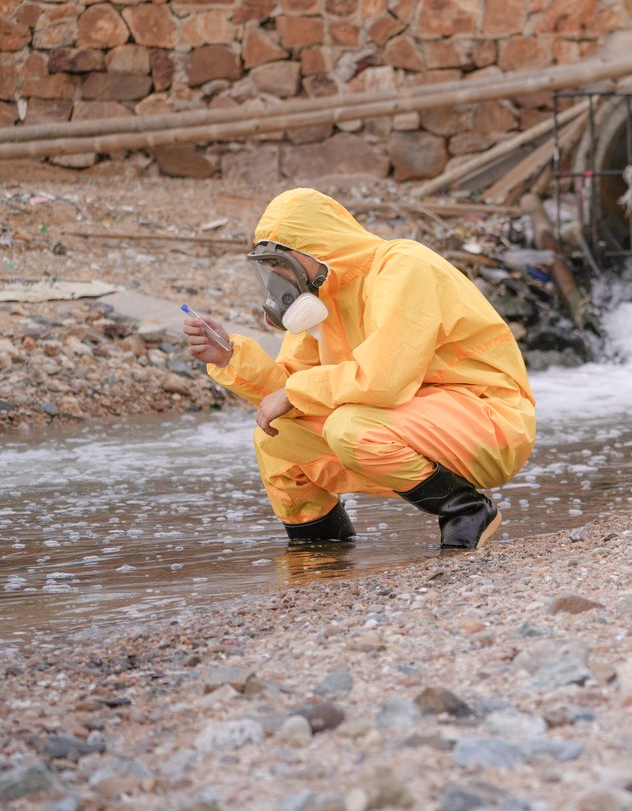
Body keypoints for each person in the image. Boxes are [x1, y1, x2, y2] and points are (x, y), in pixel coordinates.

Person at [182, 188, 535, 548]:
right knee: (275, 437)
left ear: (315, 247)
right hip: (416, 423)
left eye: (279, 263)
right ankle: (321, 551)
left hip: (489, 422)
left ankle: (467, 510)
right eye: (269, 267)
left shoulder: (403, 266)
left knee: (349, 427)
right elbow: (292, 392)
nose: (276, 277)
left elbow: (383, 381)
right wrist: (229, 357)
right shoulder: (321, 296)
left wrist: (293, 392)